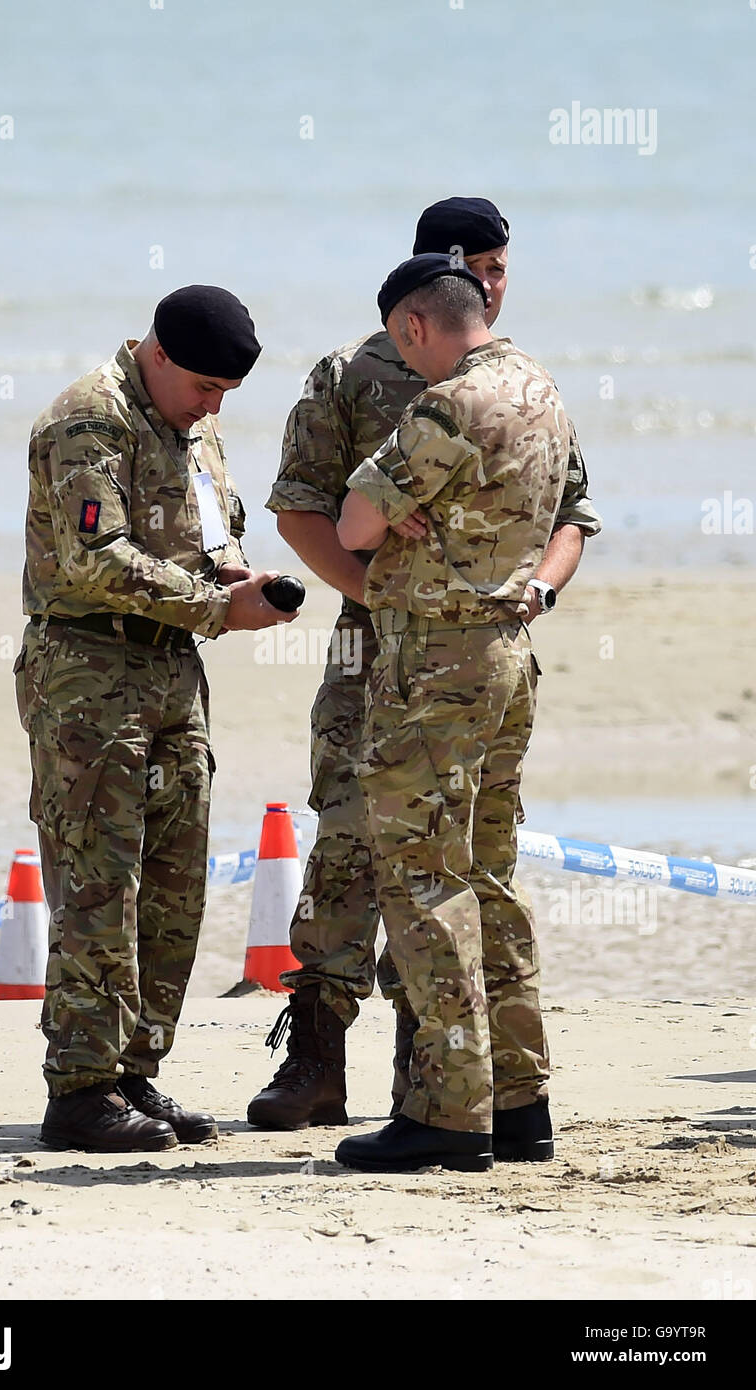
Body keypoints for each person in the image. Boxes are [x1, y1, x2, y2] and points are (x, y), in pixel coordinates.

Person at [247, 199, 601, 1131]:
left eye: (499, 264)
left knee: (459, 859)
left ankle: (438, 1076)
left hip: (465, 645)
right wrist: (379, 595)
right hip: (379, 645)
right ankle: (317, 1056)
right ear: (428, 283)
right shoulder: (353, 376)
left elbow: (574, 516)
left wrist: (539, 590)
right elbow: (301, 511)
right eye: (472, 265)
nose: (488, 280)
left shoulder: (513, 383)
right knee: (351, 842)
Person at [15, 285, 298, 1153]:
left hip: (173, 668)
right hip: (89, 667)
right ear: (159, 355)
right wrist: (218, 608)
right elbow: (98, 561)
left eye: (224, 395)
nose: (212, 407)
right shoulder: (85, 422)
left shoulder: (195, 423)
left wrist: (243, 582)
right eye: (203, 388)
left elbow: (216, 531)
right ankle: (80, 1088)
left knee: (175, 881)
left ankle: (135, 1071)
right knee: (101, 879)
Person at [333, 254, 569, 1172]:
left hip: (437, 661)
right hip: (508, 652)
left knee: (424, 879)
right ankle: (519, 1101)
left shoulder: (449, 406)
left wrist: (393, 514)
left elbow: (353, 521)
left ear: (412, 328)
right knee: (490, 873)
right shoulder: (541, 388)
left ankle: (448, 1110)